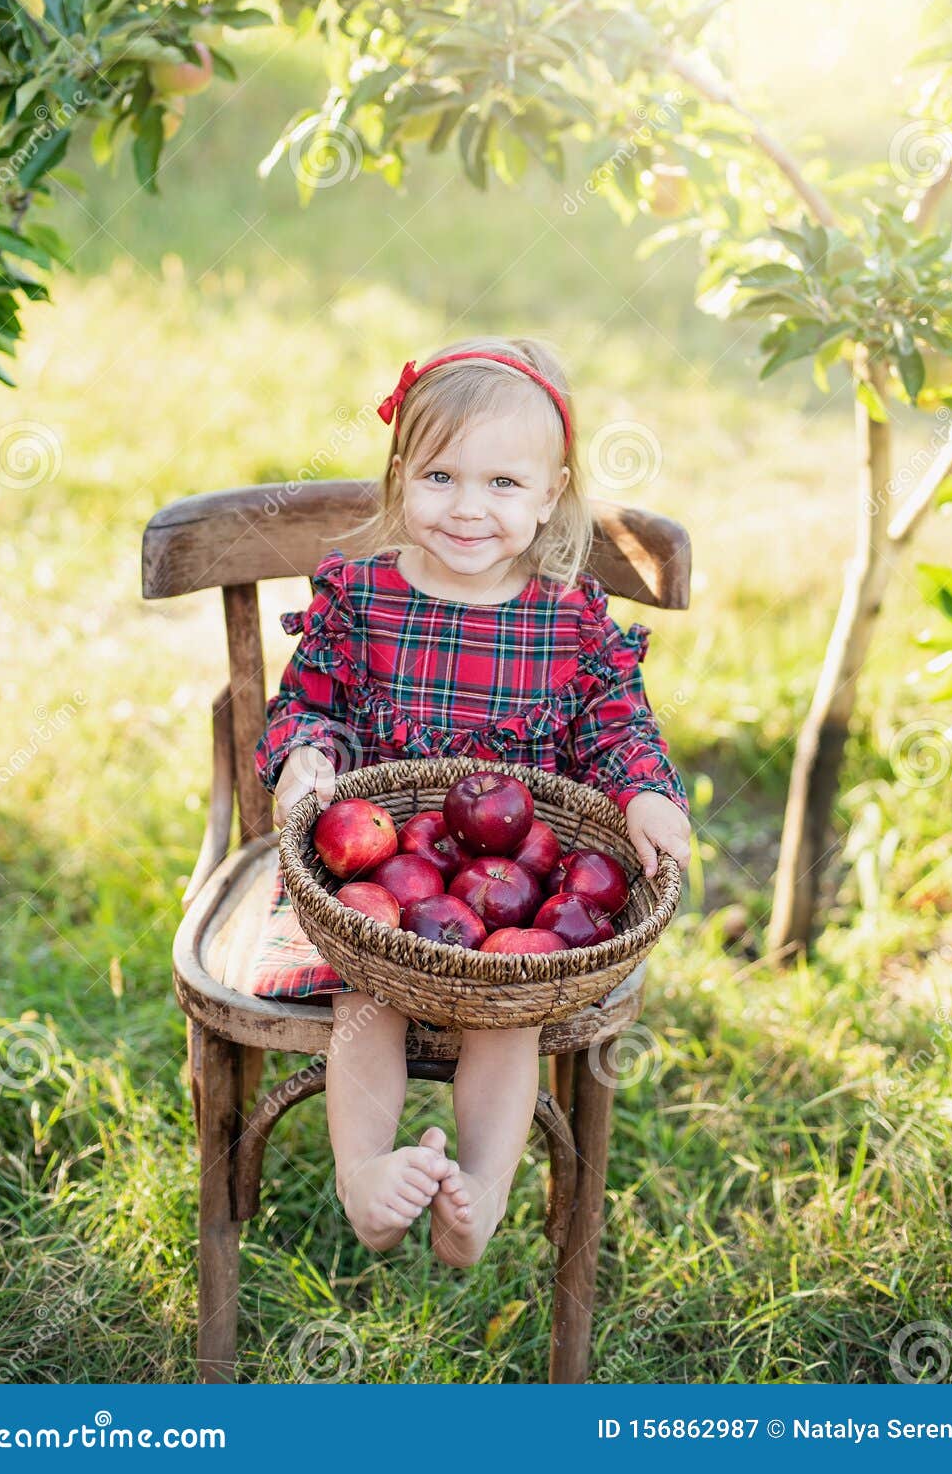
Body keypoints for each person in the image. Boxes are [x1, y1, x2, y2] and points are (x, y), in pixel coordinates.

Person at [254, 336, 691, 1268]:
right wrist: (307, 759)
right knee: (361, 999)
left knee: (513, 1010)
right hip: (367, 894)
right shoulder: (360, 600)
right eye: (442, 476)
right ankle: (365, 1176)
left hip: (510, 909)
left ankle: (480, 1195)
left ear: (549, 495)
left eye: (502, 484)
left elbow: (618, 733)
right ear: (400, 476)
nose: (467, 508)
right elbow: (308, 706)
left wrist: (648, 798)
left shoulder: (566, 620)